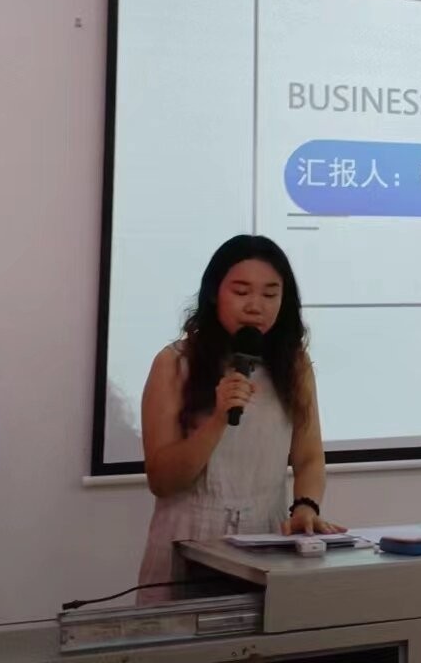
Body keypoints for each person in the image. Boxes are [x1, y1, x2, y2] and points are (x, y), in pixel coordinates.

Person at [137, 235, 344, 598]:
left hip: (265, 541)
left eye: (270, 294)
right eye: (241, 291)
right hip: (187, 541)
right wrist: (218, 418)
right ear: (214, 294)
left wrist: (306, 507)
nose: (255, 306)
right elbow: (163, 480)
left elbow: (309, 457)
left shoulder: (293, 365)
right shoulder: (174, 363)